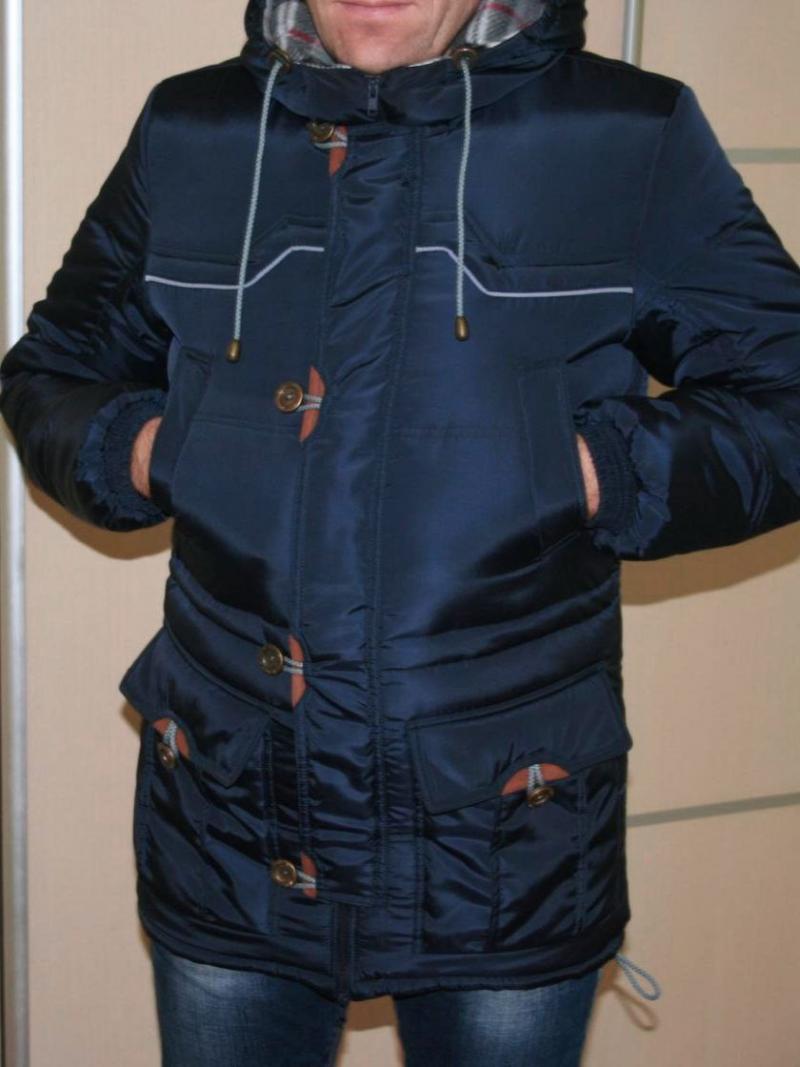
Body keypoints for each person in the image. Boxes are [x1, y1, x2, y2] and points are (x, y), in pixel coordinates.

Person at [2, 0, 799, 1062]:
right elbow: (53, 369)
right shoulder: (193, 126)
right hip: (232, 811)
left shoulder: (626, 133)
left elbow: (783, 399)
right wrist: (156, 450)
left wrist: (581, 468)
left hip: (502, 829)